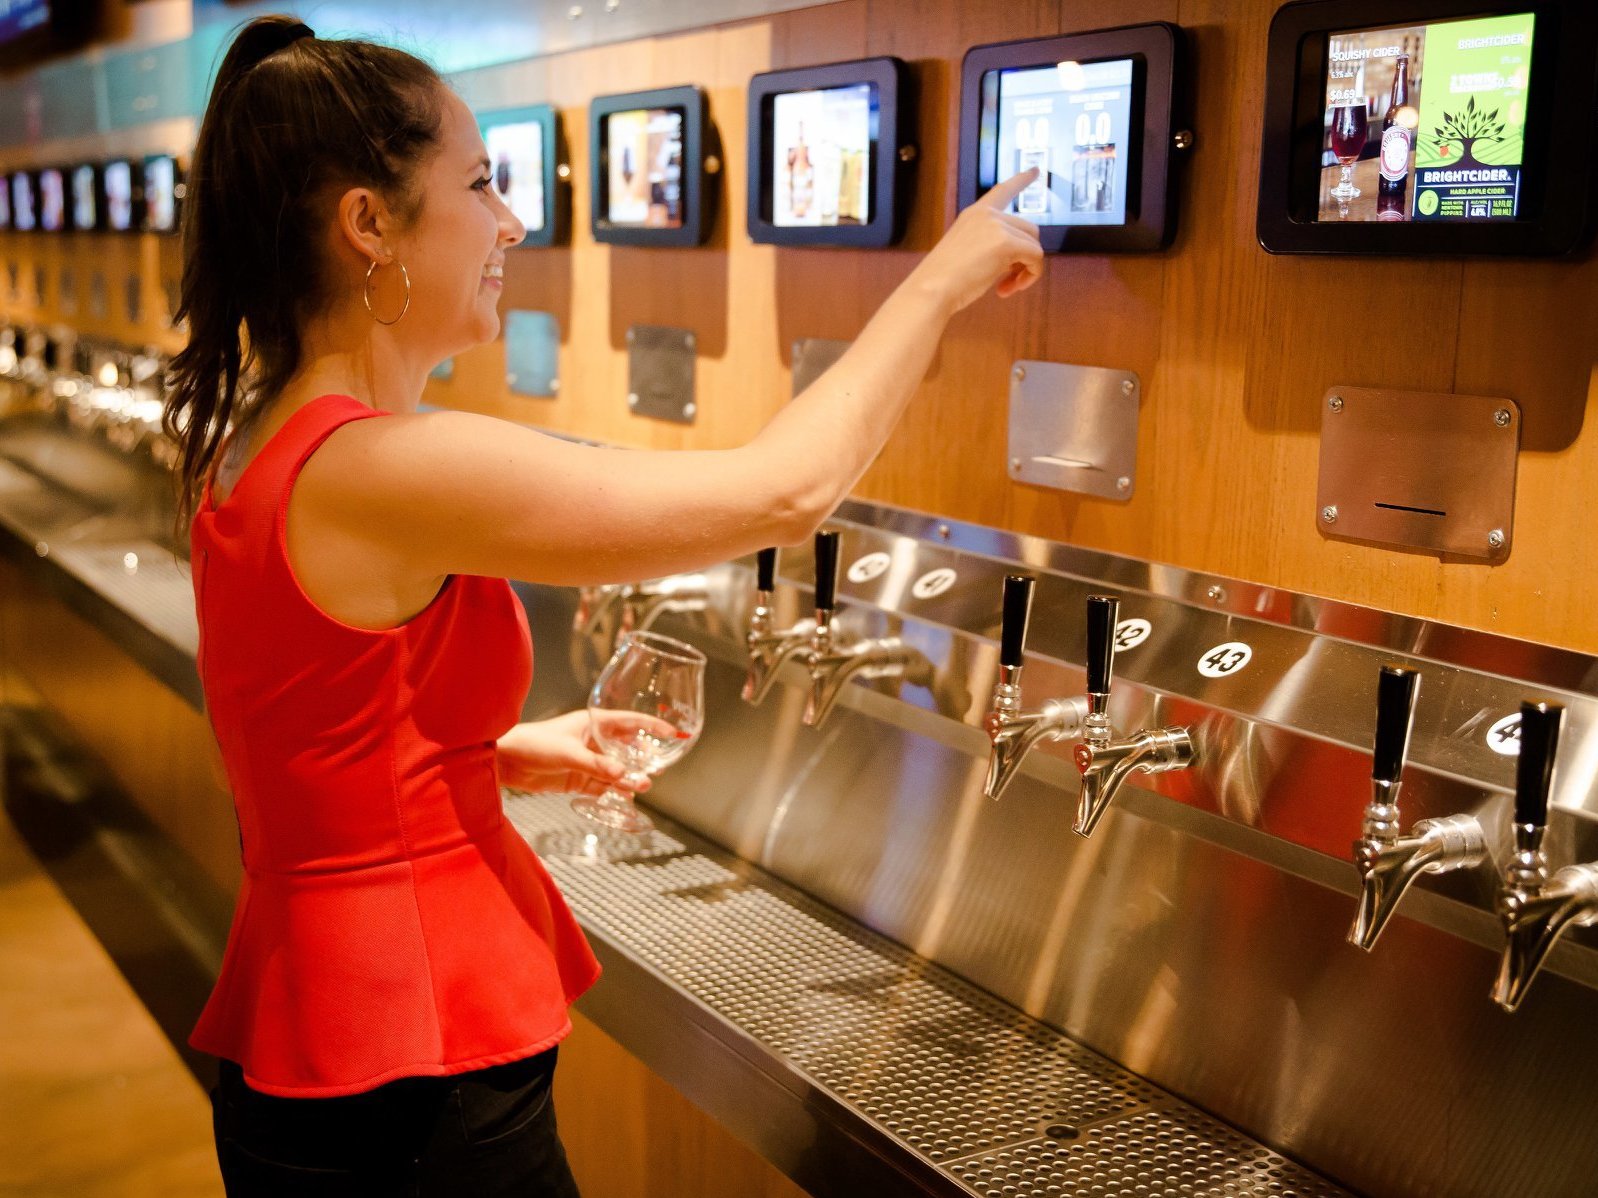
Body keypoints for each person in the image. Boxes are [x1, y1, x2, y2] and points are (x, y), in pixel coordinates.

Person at [164, 14, 1043, 1197]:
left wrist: (496, 755)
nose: (512, 222)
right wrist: (943, 278)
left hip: (320, 1053)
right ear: (368, 223)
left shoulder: (252, 441)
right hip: (410, 1077)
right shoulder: (379, 467)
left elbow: (309, 724)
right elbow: (784, 492)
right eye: (480, 184)